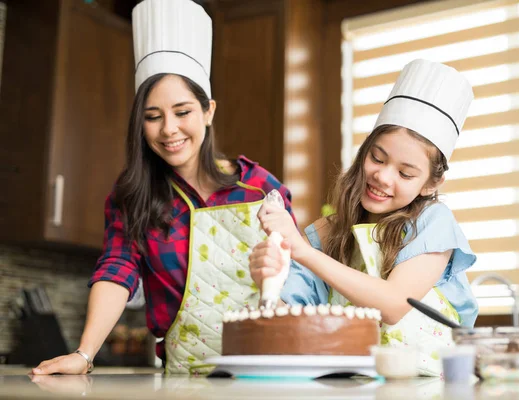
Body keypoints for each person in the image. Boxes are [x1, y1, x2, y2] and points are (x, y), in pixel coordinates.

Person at [32, 0, 295, 376]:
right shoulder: (133, 198)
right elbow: (117, 269)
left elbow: (299, 276)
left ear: (208, 112)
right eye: (152, 117)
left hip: (268, 371)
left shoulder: (259, 188)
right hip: (182, 377)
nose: (168, 129)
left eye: (183, 112)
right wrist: (84, 353)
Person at [249, 59, 478, 376]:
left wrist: (302, 252)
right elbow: (292, 318)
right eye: (377, 157)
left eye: (405, 173)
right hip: (348, 383)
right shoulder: (327, 232)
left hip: (425, 387)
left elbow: (395, 303)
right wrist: (269, 278)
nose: (383, 176)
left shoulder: (433, 222)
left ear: (430, 184)